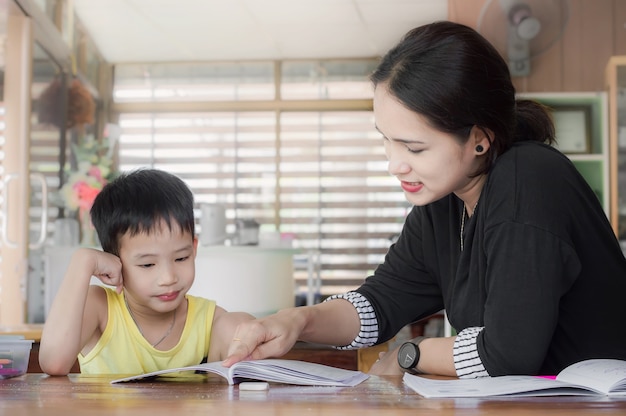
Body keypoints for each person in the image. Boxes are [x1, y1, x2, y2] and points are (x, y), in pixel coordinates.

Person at [224, 21, 626, 378]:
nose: (395, 165)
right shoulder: (442, 200)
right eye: (386, 139)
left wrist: (410, 354)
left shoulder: (528, 178)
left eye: (414, 148)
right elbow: (380, 304)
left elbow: (507, 355)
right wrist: (298, 320)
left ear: (479, 140)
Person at [39, 169, 254, 375]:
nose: (169, 278)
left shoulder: (210, 320)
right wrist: (82, 261)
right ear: (114, 261)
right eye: (148, 265)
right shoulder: (100, 309)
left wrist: (241, 329)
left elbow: (240, 335)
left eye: (181, 258)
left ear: (194, 248)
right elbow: (53, 362)